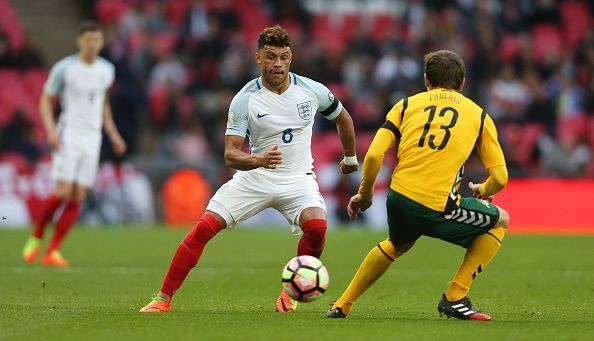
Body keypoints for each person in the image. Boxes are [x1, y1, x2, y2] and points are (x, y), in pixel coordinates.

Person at [139, 25, 358, 313]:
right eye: (270, 57)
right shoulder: (245, 99)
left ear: (291, 57)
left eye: (283, 57)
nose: (277, 64)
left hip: (297, 178)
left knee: (317, 227)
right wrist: (259, 160)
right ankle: (163, 298)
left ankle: (288, 295)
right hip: (254, 178)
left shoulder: (312, 90)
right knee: (202, 230)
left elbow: (344, 119)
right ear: (258, 58)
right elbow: (230, 154)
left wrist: (351, 158)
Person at [326, 50, 510, 321]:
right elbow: (501, 178)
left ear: (426, 79)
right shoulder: (479, 116)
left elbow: (375, 155)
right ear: (462, 83)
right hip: (436, 205)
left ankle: (343, 304)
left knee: (397, 244)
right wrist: (484, 190)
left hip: (398, 198)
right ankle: (456, 296)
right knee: (500, 220)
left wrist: (364, 194)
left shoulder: (405, 105)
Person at [22, 21, 126, 267]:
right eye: (88, 40)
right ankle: (36, 237)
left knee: (78, 196)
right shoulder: (65, 68)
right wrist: (50, 132)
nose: (92, 45)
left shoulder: (106, 70)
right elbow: (45, 101)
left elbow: (103, 102)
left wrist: (113, 133)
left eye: (97, 40)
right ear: (80, 41)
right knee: (62, 192)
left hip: (93, 137)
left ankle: (53, 251)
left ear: (101, 42)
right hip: (68, 133)